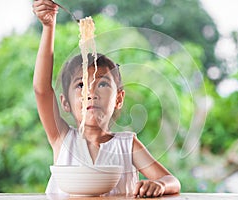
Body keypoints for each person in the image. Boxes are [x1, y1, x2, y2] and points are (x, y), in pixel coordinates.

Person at [32, 0, 181, 197]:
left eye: (102, 84)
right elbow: (42, 90)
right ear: (65, 103)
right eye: (81, 85)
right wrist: (49, 27)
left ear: (118, 99)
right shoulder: (62, 139)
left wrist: (160, 185)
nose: (91, 93)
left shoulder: (127, 146)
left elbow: (172, 181)